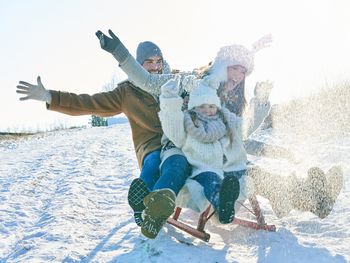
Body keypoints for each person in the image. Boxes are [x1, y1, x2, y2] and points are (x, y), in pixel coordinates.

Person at [95, 30, 343, 219]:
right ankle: (310, 197)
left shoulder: (229, 101)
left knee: (252, 169)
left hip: (221, 160)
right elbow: (148, 81)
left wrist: (264, 112)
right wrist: (119, 52)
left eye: (242, 72)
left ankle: (314, 195)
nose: (237, 76)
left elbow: (241, 137)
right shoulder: (192, 82)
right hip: (196, 162)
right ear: (220, 68)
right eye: (232, 69)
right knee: (251, 173)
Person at [16, 41, 191, 231]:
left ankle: (153, 205)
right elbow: (89, 103)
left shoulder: (176, 81)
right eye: (149, 62)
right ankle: (144, 202)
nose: (155, 66)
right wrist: (50, 97)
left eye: (159, 61)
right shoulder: (127, 92)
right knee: (153, 162)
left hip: (178, 142)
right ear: (138, 64)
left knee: (175, 163)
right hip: (150, 146)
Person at [159, 76, 249, 226]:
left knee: (257, 173)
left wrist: (261, 102)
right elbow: (172, 126)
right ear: (193, 107)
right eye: (202, 106)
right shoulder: (188, 124)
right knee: (213, 184)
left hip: (230, 168)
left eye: (211, 106)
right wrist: (169, 99)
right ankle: (223, 208)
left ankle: (296, 192)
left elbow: (248, 126)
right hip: (203, 170)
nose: (208, 110)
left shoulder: (225, 119)